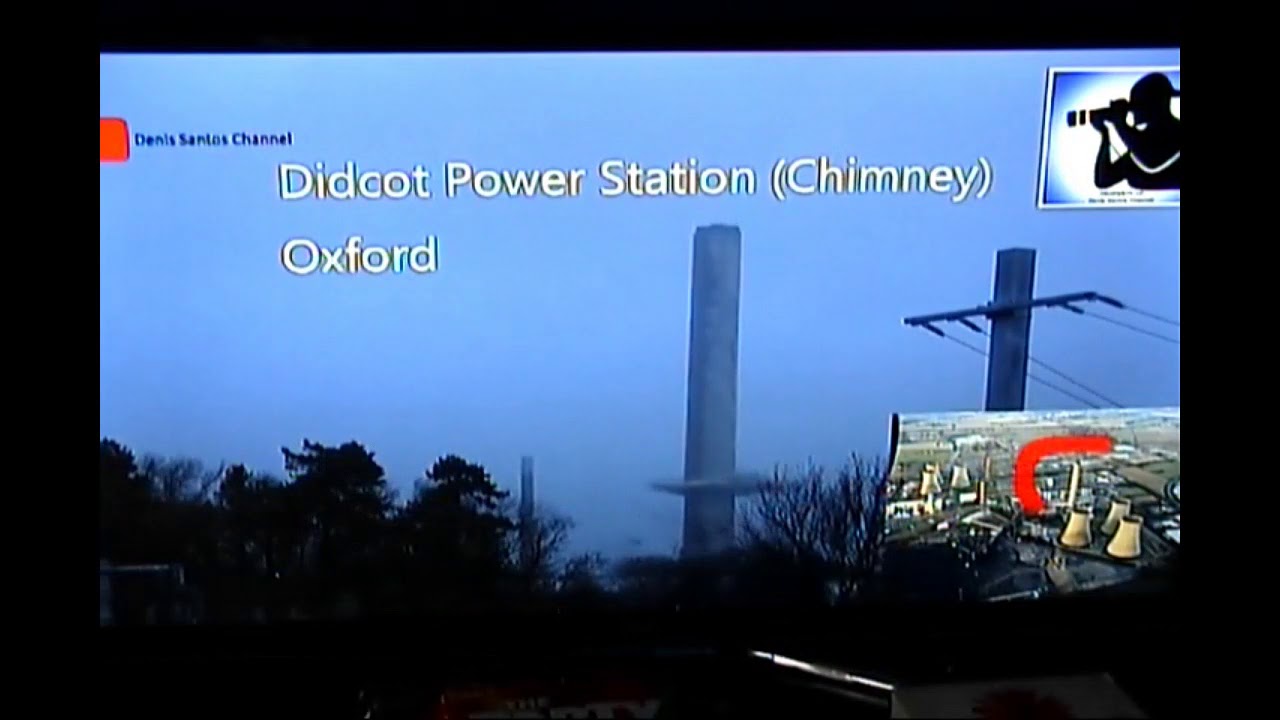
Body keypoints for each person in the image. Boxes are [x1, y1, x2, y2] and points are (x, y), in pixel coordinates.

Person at [1091, 72, 1180, 190]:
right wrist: (1105, 135)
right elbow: (1103, 179)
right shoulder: (1140, 143)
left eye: (1138, 105)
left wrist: (1119, 122)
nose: (1133, 111)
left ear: (1158, 104)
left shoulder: (1176, 133)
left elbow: (1152, 161)